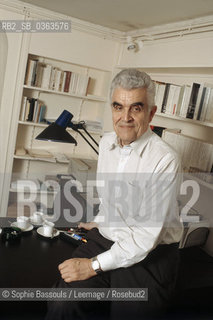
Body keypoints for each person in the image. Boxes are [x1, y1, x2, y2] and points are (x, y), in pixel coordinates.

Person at [46, 68, 183, 320]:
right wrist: (101, 221)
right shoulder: (107, 144)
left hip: (150, 254)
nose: (125, 117)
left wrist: (92, 266)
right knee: (62, 303)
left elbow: (144, 239)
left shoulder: (165, 160)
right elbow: (116, 199)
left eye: (136, 108)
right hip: (108, 239)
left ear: (151, 113)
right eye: (118, 107)